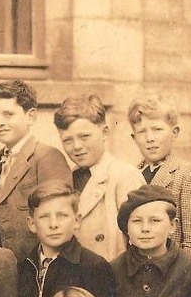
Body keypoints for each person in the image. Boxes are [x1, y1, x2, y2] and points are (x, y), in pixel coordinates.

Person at [16, 180, 116, 297]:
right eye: (44, 217)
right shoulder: (24, 267)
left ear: (76, 221)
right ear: (31, 223)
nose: (53, 224)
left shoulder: (92, 266)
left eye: (62, 215)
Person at [0, 79, 73, 262]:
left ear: (30, 116)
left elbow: (58, 220)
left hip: (34, 265)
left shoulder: (47, 157)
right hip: (4, 265)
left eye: (8, 115)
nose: (0, 122)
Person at [54, 94, 142, 263]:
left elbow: (140, 242)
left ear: (104, 132)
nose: (77, 147)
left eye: (84, 137)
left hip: (110, 277)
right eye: (67, 140)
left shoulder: (123, 175)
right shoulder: (67, 179)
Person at [126, 94, 191, 260]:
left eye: (157, 129)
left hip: (173, 277)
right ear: (134, 138)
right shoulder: (130, 175)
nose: (150, 138)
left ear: (174, 132)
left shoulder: (188, 174)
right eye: (142, 131)